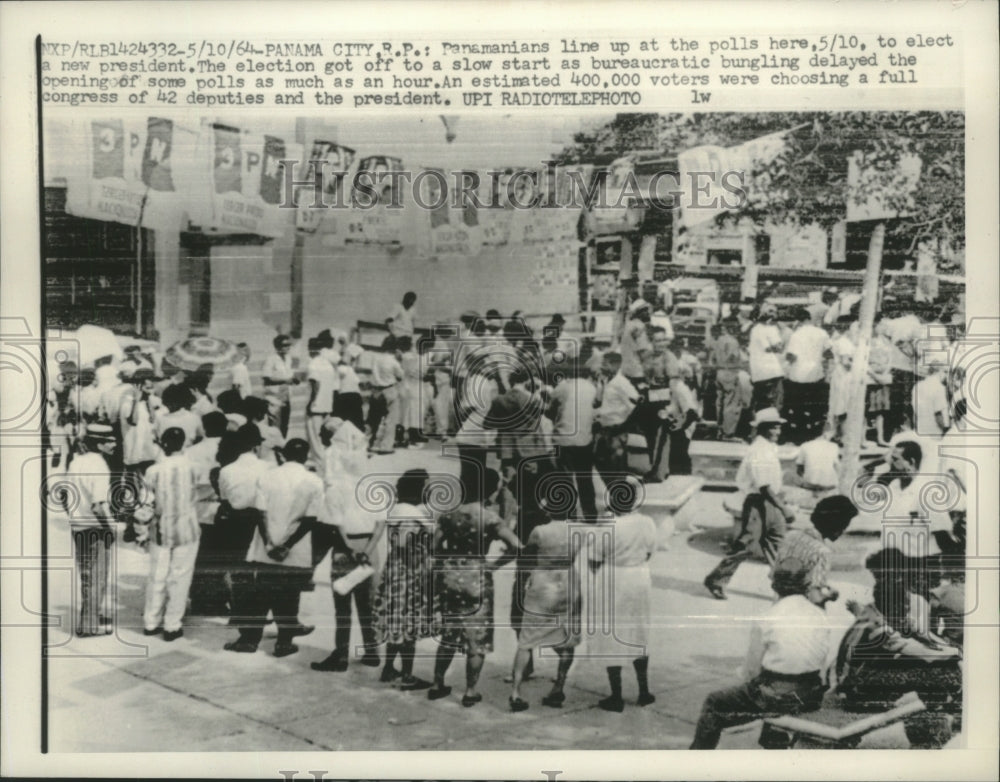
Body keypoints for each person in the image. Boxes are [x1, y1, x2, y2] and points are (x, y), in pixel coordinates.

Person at [690, 557, 831, 749]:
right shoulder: (819, 615)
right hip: (810, 694)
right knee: (772, 695)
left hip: (777, 695)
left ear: (775, 586)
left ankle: (696, 762)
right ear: (806, 585)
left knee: (715, 703)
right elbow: (818, 660)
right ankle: (775, 743)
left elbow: (751, 672)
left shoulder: (768, 618)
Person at [835, 547, 962, 748]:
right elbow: (911, 647)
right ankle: (933, 725)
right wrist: (950, 654)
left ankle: (935, 720)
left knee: (938, 668)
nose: (905, 610)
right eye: (901, 608)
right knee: (935, 672)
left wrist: (950, 651)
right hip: (857, 688)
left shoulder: (880, 611)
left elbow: (920, 634)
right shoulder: (879, 625)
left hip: (861, 678)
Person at [428, 469, 523, 706]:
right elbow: (516, 545)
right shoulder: (490, 518)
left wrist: (446, 563)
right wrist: (494, 565)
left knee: (449, 634)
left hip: (451, 575)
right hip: (478, 576)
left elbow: (435, 546)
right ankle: (470, 690)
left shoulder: (448, 515)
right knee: (476, 638)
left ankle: (438, 683)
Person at [224, 439, 323, 656]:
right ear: (306, 456)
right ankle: (284, 643)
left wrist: (270, 542)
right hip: (295, 548)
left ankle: (249, 640)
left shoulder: (268, 476)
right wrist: (287, 545)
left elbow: (260, 513)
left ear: (284, 455)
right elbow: (311, 519)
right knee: (289, 594)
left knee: (259, 593)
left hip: (265, 547)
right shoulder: (314, 481)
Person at [704, 408, 796, 600]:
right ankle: (716, 579)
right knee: (746, 545)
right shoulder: (758, 451)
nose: (778, 432)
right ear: (762, 429)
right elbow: (763, 486)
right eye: (773, 428)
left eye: (779, 428)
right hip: (758, 503)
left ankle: (783, 588)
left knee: (778, 543)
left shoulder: (769, 447)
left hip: (771, 502)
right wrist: (783, 508)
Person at [587, 475, 657, 712]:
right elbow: (650, 552)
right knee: (639, 631)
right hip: (639, 576)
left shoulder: (608, 525)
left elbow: (594, 559)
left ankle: (616, 696)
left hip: (613, 577)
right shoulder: (647, 522)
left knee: (612, 636)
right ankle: (644, 690)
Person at [310, 450, 385, 673]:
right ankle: (372, 651)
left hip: (345, 549)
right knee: (368, 602)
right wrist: (366, 550)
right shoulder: (374, 488)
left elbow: (336, 523)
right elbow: (380, 524)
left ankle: (341, 654)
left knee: (342, 605)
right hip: (370, 547)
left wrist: (349, 547)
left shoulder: (336, 490)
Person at [508, 503, 583, 712]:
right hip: (568, 581)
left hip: (543, 581)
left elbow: (526, 554)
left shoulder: (539, 531)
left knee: (527, 639)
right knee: (567, 638)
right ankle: (558, 687)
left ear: (548, 510)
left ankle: (516, 692)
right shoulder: (578, 531)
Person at [367, 469, 436, 688]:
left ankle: (389, 668)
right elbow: (404, 543)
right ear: (418, 488)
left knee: (396, 621)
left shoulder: (399, 508)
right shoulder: (411, 512)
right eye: (427, 485)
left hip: (396, 570)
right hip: (408, 572)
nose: (431, 488)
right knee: (408, 624)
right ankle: (407, 674)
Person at [137, 427, 201, 641]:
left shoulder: (153, 471)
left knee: (157, 576)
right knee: (180, 578)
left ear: (162, 444)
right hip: (187, 529)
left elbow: (145, 504)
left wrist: (140, 531)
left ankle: (151, 622)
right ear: (183, 443)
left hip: (161, 529)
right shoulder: (193, 467)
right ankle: (172, 625)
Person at [64, 423, 119, 636]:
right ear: (99, 443)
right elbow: (99, 505)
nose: (114, 444)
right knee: (97, 577)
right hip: (95, 527)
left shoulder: (77, 461)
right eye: (109, 441)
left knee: (87, 575)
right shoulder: (100, 466)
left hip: (78, 525)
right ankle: (88, 625)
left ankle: (91, 615)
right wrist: (110, 528)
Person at [215, 424, 273, 622]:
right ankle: (257, 613)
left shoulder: (226, 470)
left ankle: (240, 612)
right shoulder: (267, 468)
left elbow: (224, 499)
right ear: (257, 446)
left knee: (239, 570)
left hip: (234, 521)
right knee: (260, 569)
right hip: (260, 521)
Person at [773, 494, 858, 606]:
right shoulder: (822, 552)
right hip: (801, 611)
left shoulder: (790, 536)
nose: (843, 531)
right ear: (835, 524)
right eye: (844, 525)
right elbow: (815, 597)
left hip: (779, 605)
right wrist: (831, 595)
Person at [546, 358, 598, 520]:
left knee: (564, 479)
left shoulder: (562, 387)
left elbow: (549, 411)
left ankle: (568, 515)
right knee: (585, 479)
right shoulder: (592, 388)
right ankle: (590, 514)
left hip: (563, 440)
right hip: (585, 440)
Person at [781, 307, 832, 445]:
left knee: (797, 407)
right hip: (816, 374)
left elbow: (792, 355)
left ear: (799, 320)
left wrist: (784, 368)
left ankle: (798, 436)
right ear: (810, 318)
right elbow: (828, 353)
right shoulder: (822, 333)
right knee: (815, 407)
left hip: (798, 375)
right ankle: (813, 435)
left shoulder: (796, 335)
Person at [638, 325, 679, 483]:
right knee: (650, 436)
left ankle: (658, 472)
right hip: (649, 400)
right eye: (658, 340)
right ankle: (656, 468)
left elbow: (673, 382)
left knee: (661, 437)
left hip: (663, 400)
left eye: (664, 340)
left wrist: (672, 405)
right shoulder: (648, 356)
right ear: (651, 341)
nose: (662, 343)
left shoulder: (669, 357)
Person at [592, 352, 640, 485]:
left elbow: (636, 406)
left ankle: (622, 500)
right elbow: (599, 402)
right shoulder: (606, 381)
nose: (601, 367)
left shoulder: (622, 383)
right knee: (601, 463)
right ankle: (616, 495)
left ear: (616, 365)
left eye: (605, 364)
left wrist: (624, 426)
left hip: (616, 431)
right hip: (603, 429)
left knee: (616, 467)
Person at [368, 336, 405, 455]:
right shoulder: (393, 361)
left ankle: (371, 443)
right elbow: (400, 376)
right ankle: (386, 446)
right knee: (390, 419)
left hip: (375, 389)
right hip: (389, 389)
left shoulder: (376, 358)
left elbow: (372, 372)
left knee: (375, 418)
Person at [711, 318, 748, 440]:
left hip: (719, 371)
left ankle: (720, 430)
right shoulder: (732, 341)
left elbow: (713, 358)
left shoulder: (719, 340)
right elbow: (733, 357)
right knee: (732, 403)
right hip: (730, 372)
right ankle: (728, 433)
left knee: (720, 403)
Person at [305, 336, 337, 466]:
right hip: (327, 404)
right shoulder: (328, 364)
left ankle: (320, 463)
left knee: (315, 436)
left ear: (310, 349)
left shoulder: (313, 364)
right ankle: (325, 460)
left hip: (316, 406)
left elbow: (315, 385)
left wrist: (311, 402)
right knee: (324, 436)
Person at [748, 303, 785, 412]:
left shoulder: (759, 329)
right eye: (772, 312)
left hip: (761, 370)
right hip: (769, 370)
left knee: (762, 398)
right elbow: (774, 347)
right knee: (776, 398)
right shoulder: (765, 329)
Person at [261, 334, 299, 438]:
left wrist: (294, 379)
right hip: (274, 396)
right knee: (274, 425)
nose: (288, 347)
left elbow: (289, 375)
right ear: (278, 346)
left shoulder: (288, 359)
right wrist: (285, 380)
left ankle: (282, 446)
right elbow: (266, 378)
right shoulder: (271, 359)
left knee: (285, 424)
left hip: (286, 395)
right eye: (285, 345)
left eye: (289, 345)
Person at [793, 420, 841, 495]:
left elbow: (799, 470)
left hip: (810, 485)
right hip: (829, 485)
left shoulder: (805, 445)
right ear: (826, 433)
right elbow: (837, 468)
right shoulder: (834, 446)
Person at [155, 384, 203, 448]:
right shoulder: (194, 417)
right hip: (189, 453)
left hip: (167, 454)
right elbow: (200, 437)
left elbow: (157, 439)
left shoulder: (160, 419)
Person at [334, 343, 365, 432]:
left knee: (355, 422)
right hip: (346, 397)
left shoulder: (349, 369)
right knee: (348, 422)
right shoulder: (342, 369)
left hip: (353, 397)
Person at [913, 365, 950, 438]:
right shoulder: (939, 387)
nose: (946, 375)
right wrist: (945, 430)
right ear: (938, 371)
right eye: (945, 372)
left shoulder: (917, 386)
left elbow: (915, 414)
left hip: (920, 430)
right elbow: (938, 413)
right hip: (935, 431)